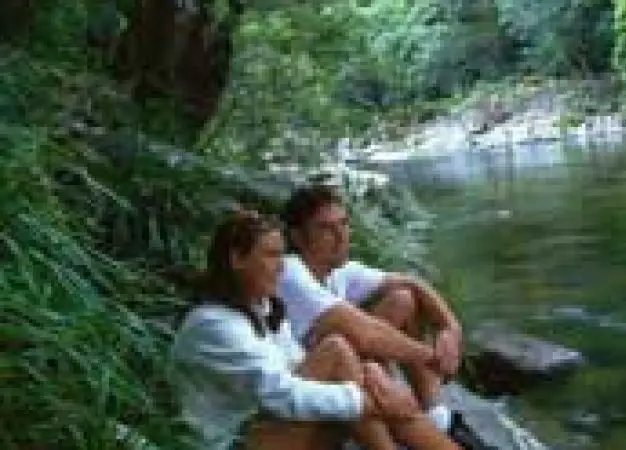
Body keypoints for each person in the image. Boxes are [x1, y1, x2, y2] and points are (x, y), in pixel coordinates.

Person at [170, 211, 461, 450]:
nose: (281, 267)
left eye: (282, 256)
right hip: (234, 442)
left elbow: (298, 365)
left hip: (263, 427)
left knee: (343, 355)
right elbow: (281, 395)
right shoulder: (213, 324)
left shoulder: (260, 309)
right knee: (342, 358)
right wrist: (370, 401)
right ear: (237, 259)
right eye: (270, 255)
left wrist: (368, 382)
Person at [278, 185, 462, 424]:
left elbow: (413, 283)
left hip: (341, 377)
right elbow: (366, 335)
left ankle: (437, 416)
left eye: (343, 224)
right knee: (346, 339)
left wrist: (451, 329)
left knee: (402, 298)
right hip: (308, 393)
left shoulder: (338, 271)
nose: (341, 236)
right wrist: (436, 358)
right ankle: (407, 423)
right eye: (326, 228)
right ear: (298, 237)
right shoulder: (290, 272)